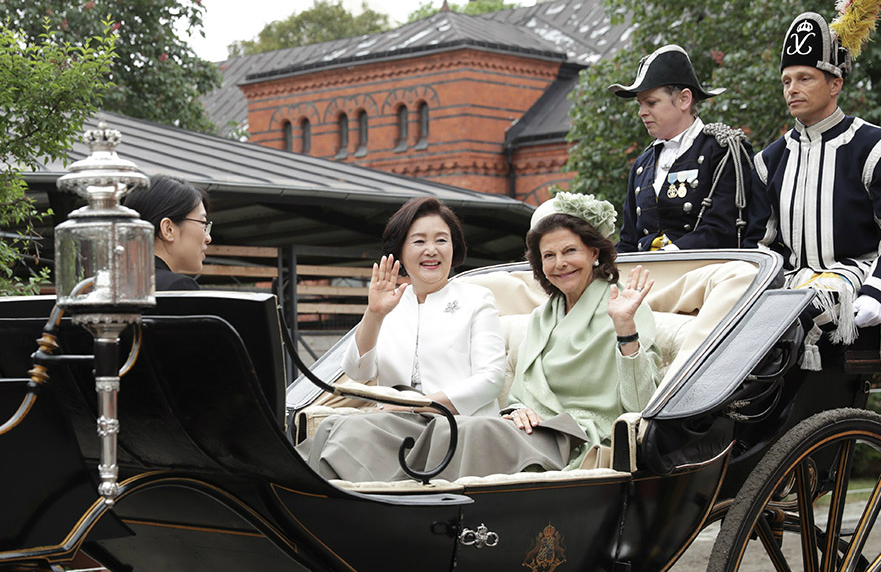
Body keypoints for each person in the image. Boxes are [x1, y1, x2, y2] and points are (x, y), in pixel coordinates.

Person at [303, 196, 555, 482]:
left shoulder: (476, 298)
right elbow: (357, 371)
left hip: (456, 424)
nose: (431, 250)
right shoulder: (389, 303)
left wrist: (419, 405)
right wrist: (374, 314)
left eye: (441, 240)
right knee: (332, 428)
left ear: (454, 247)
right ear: (400, 249)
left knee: (349, 431)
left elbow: (490, 380)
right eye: (419, 241)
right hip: (393, 425)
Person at [754, 12, 881, 369]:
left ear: (835, 84)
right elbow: (761, 242)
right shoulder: (768, 159)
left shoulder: (877, 147)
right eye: (786, 81)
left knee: (791, 319)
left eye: (804, 78)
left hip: (855, 275)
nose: (792, 89)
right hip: (790, 281)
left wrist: (880, 293)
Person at [506, 193, 662, 468]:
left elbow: (642, 404)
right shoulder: (542, 317)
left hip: (585, 439)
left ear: (593, 252)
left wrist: (625, 327)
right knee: (461, 430)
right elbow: (519, 396)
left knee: (477, 434)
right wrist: (518, 412)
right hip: (533, 433)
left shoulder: (625, 306)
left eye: (569, 251)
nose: (560, 264)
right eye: (549, 256)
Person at [609, 45, 766, 254]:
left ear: (684, 99)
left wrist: (669, 257)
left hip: (704, 273)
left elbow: (722, 230)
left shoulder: (723, 151)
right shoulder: (641, 164)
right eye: (640, 104)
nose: (641, 112)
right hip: (647, 275)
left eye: (651, 103)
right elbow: (629, 240)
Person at [122, 174, 211, 290]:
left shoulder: (105, 284)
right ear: (168, 229)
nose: (208, 238)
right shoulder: (176, 287)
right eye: (203, 224)